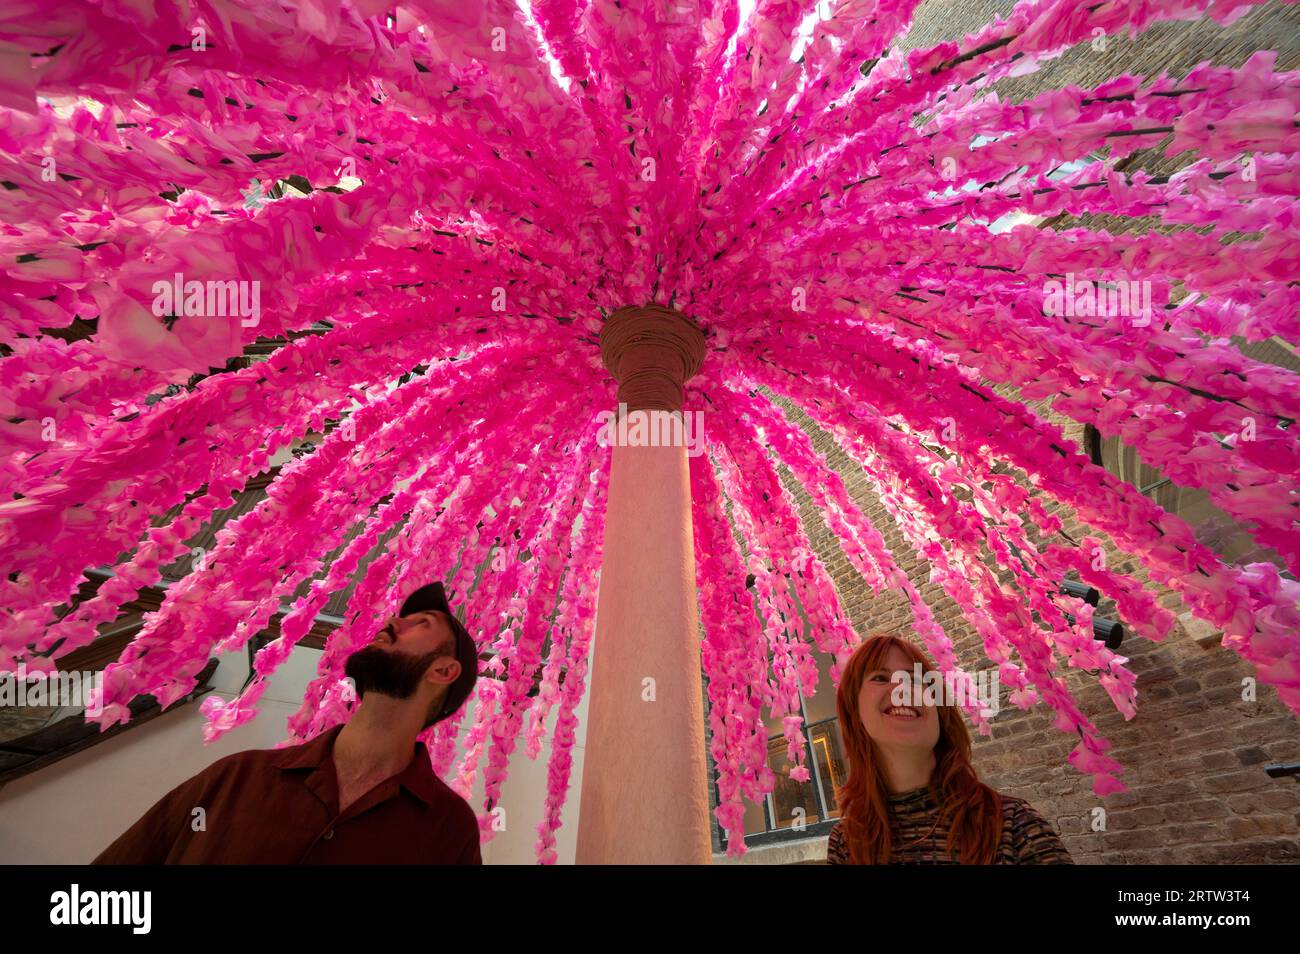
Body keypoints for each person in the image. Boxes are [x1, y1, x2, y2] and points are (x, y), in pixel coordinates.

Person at [92, 581, 482, 864]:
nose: (393, 623)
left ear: (444, 670)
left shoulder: (447, 830)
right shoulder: (238, 777)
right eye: (402, 616)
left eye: (422, 623)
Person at [826, 633, 1073, 865]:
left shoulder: (1012, 825)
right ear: (855, 712)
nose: (902, 690)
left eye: (915, 680)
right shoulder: (847, 843)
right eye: (880, 677)